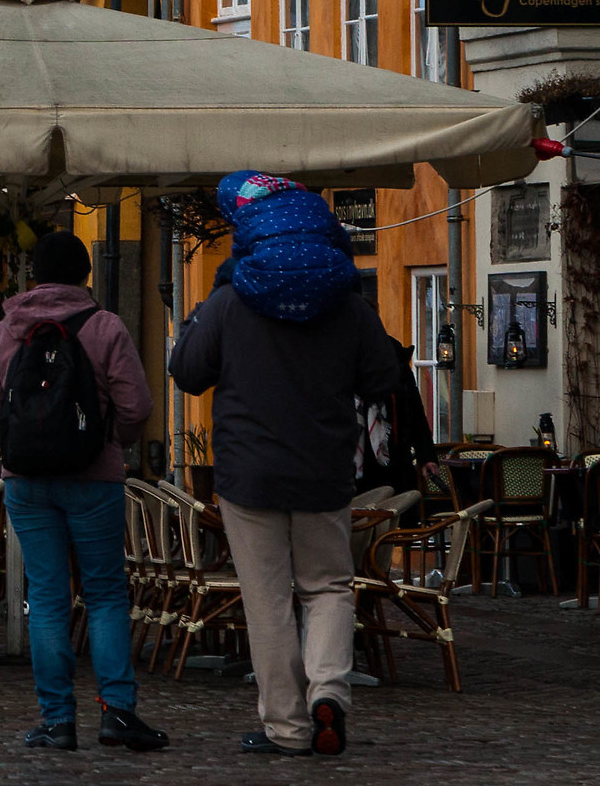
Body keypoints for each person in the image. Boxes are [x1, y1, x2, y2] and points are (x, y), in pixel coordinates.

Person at [169, 171, 404, 760]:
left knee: (268, 600)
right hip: (323, 468)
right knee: (328, 586)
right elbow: (384, 378)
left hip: (249, 473)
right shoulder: (347, 305)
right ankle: (328, 691)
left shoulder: (229, 300)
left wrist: (205, 310)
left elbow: (187, 372)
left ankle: (289, 728)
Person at [0, 231, 166, 754]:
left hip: (27, 486)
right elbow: (138, 406)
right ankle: (118, 714)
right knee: (104, 595)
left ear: (34, 275)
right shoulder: (104, 327)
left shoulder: (4, 332)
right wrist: (107, 444)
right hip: (93, 481)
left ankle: (57, 721)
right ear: (86, 275)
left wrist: (18, 446)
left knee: (49, 599)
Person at [355, 343, 441, 500]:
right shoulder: (344, 360)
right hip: (357, 465)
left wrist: (426, 456)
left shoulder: (396, 363)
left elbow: (416, 414)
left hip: (397, 460)